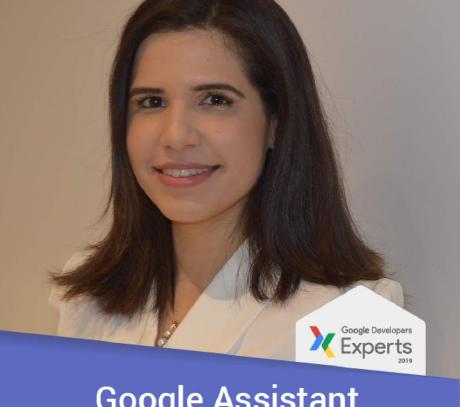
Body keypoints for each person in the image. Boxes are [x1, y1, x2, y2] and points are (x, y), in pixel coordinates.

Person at [48, 0, 403, 360]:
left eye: (215, 100)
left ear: (276, 122)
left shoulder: (360, 320)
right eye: (152, 102)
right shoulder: (85, 299)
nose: (176, 136)